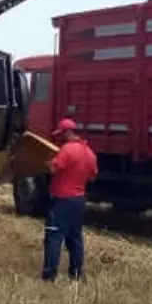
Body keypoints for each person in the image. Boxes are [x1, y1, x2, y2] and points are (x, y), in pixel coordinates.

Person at [41, 117, 98, 282]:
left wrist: (46, 161)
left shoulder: (67, 150)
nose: (59, 138)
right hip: (79, 199)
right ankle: (76, 274)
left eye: (61, 134)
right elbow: (93, 176)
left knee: (54, 236)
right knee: (75, 238)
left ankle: (49, 275)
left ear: (67, 132)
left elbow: (53, 168)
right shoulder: (89, 152)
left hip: (63, 199)